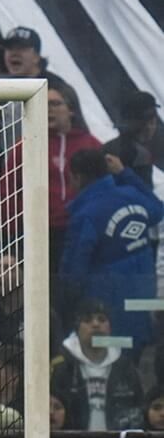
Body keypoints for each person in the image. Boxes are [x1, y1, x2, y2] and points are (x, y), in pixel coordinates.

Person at [60, 147, 163, 348]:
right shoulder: (132, 195)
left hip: (107, 314)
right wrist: (125, 173)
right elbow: (158, 210)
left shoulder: (85, 216)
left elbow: (73, 274)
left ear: (78, 177)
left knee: (110, 366)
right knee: (133, 362)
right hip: (142, 303)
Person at [50, 298, 146, 431]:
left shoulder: (125, 367)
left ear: (110, 328)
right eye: (88, 320)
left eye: (102, 319)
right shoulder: (61, 366)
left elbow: (138, 410)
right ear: (77, 329)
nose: (95, 324)